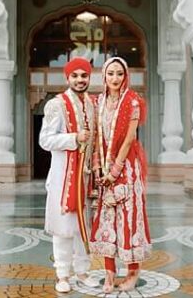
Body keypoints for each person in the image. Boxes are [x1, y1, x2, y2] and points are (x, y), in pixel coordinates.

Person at [39, 56, 102, 294]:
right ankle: (62, 274)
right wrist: (73, 138)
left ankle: (83, 272)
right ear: (68, 78)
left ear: (89, 77)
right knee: (64, 227)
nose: (80, 80)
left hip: (86, 178)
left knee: (82, 227)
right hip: (63, 177)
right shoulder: (56, 105)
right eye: (75, 76)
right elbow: (45, 140)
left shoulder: (92, 104)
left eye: (84, 75)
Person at [90, 56, 151, 293]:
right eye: (110, 73)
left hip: (126, 168)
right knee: (106, 220)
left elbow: (129, 140)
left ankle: (133, 273)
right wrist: (98, 169)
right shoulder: (98, 102)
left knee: (129, 220)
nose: (115, 78)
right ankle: (109, 274)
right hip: (104, 170)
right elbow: (96, 138)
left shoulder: (133, 101)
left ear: (125, 76)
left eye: (119, 73)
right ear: (104, 76)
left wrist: (114, 172)